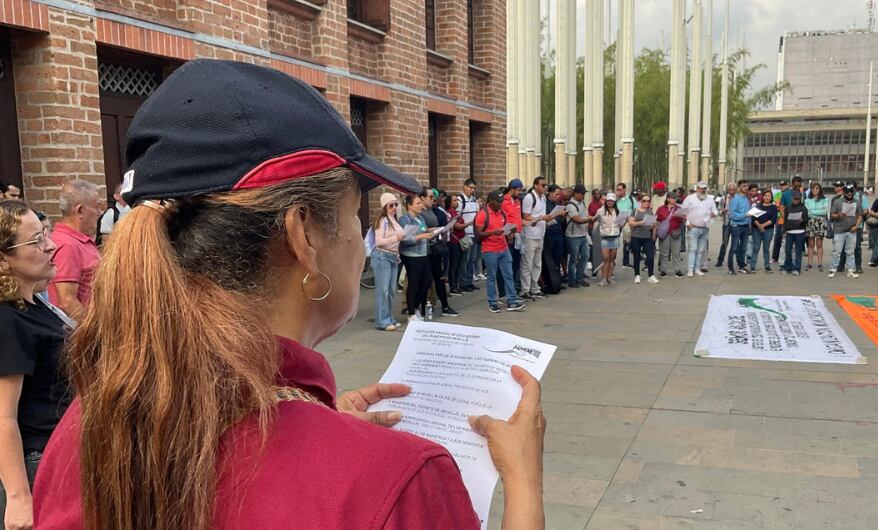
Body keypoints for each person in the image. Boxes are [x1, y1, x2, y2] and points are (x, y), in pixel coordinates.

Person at [32, 60, 545, 530]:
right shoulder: (398, 479)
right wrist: (523, 483)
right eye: (353, 215)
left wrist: (320, 427)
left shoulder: (89, 425)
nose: (360, 244)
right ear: (304, 236)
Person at [0, 201, 71, 530]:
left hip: (60, 453)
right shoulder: (8, 320)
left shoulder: (35, 308)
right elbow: (3, 416)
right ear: (4, 258)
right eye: (36, 241)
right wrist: (18, 496)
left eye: (45, 234)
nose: (50, 245)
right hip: (37, 463)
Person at [47, 180, 101, 321]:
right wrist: (94, 334)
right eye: (97, 207)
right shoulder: (68, 245)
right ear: (80, 210)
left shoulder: (77, 240)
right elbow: (67, 301)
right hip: (82, 335)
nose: (99, 213)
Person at [476, 190, 526, 313]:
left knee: (509, 275)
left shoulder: (502, 213)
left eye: (501, 201)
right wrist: (493, 232)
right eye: (498, 202)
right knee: (491, 277)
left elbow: (505, 230)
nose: (500, 204)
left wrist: (511, 232)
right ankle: (492, 302)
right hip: (490, 250)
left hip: (503, 248)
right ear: (491, 201)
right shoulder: (483, 214)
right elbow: (479, 233)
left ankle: (511, 301)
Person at [399, 191, 441, 320]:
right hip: (411, 254)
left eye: (420, 203)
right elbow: (405, 239)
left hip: (423, 253)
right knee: (414, 282)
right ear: (409, 205)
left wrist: (431, 230)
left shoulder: (420, 218)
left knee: (426, 281)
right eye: (417, 203)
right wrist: (423, 236)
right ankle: (411, 312)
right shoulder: (405, 219)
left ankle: (416, 307)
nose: (420, 206)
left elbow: (422, 230)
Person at [419, 189, 458, 317]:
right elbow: (421, 230)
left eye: (434, 197)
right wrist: (435, 229)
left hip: (436, 247)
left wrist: (441, 229)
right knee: (425, 281)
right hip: (426, 250)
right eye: (430, 197)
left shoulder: (431, 211)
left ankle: (445, 306)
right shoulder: (420, 213)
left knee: (439, 279)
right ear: (422, 198)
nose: (433, 199)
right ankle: (423, 308)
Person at [521, 177, 559, 299]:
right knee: (527, 263)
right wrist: (541, 218)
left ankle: (535, 288)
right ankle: (525, 289)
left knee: (537, 263)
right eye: (543, 185)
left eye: (546, 185)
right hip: (530, 234)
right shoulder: (529, 198)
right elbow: (526, 217)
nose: (545, 187)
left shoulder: (543, 198)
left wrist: (547, 217)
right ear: (536, 185)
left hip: (540, 234)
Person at [371, 193, 405, 331]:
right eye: (391, 205)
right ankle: (382, 320)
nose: (394, 207)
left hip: (392, 256)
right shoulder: (383, 221)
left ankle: (389, 317)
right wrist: (396, 238)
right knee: (383, 290)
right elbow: (378, 242)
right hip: (382, 256)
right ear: (385, 206)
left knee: (391, 290)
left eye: (396, 204)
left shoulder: (394, 219)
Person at [683, 182, 718, 277]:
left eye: (704, 188)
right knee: (692, 249)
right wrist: (688, 224)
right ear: (697, 188)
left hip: (704, 228)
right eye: (701, 188)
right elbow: (683, 212)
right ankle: (690, 269)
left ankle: (697, 268)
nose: (702, 190)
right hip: (693, 228)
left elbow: (715, 211)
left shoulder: (710, 200)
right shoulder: (690, 199)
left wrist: (714, 214)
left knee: (701, 250)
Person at [827, 185, 863, 279]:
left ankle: (851, 269)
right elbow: (832, 215)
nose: (849, 194)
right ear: (844, 192)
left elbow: (860, 215)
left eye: (851, 192)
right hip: (839, 230)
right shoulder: (838, 202)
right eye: (847, 192)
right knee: (837, 251)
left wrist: (856, 226)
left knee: (851, 251)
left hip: (852, 229)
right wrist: (839, 215)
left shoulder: (857, 202)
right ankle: (833, 268)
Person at [540, 185, 567, 294]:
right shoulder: (545, 204)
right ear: (550, 193)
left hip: (558, 232)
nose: (558, 196)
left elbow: (558, 219)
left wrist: (562, 216)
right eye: (556, 194)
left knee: (557, 258)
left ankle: (557, 281)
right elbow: (546, 218)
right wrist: (557, 215)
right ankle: (548, 281)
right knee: (549, 258)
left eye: (559, 194)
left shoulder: (557, 204)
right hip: (549, 233)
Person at [627, 194, 659, 284]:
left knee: (650, 256)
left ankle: (651, 275)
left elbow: (653, 224)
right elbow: (631, 223)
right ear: (640, 202)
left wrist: (653, 232)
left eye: (648, 201)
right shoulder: (635, 211)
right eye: (644, 201)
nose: (646, 203)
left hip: (647, 237)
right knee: (636, 256)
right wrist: (641, 222)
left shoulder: (650, 211)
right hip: (636, 236)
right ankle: (637, 275)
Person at [564, 185, 592, 288]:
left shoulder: (583, 203)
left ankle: (580, 277)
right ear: (576, 193)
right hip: (573, 236)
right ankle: (572, 280)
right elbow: (577, 220)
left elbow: (584, 217)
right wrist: (589, 219)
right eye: (581, 194)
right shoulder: (571, 205)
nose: (583, 195)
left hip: (583, 235)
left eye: (584, 194)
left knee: (585, 256)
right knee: (574, 259)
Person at [502, 180, 525, 295]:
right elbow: (503, 219)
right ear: (512, 189)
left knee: (516, 263)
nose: (520, 192)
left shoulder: (517, 201)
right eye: (519, 190)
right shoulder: (504, 201)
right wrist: (507, 233)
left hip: (518, 234)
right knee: (508, 265)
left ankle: (513, 290)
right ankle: (506, 292)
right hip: (509, 235)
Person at [593, 193, 621, 286]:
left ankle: (609, 277)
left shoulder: (617, 211)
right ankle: (603, 278)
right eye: (608, 200)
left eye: (612, 201)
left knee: (612, 258)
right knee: (605, 258)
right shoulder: (601, 211)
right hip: (605, 237)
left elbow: (620, 224)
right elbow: (595, 222)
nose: (610, 202)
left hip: (615, 236)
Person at [656, 192, 685, 277]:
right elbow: (656, 220)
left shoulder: (679, 208)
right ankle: (663, 270)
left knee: (676, 253)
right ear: (668, 199)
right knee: (664, 253)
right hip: (664, 233)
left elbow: (683, 221)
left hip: (676, 233)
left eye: (675, 198)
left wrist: (683, 218)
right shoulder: (661, 209)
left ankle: (677, 270)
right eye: (673, 198)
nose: (675, 199)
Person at [457, 178, 480, 292]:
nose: (472, 190)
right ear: (464, 187)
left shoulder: (474, 200)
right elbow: (457, 218)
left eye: (474, 188)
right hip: (465, 234)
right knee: (465, 259)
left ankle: (469, 281)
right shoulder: (460, 200)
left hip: (474, 233)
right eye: (471, 188)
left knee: (472, 259)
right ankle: (463, 282)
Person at [445, 194, 469, 297]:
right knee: (454, 264)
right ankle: (453, 286)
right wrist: (471, 222)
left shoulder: (456, 212)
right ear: (450, 202)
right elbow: (457, 226)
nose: (457, 202)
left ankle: (456, 284)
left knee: (458, 263)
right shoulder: (451, 212)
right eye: (454, 200)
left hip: (459, 240)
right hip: (455, 241)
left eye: (457, 200)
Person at [749, 189, 777, 273]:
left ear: (771, 197)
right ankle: (752, 266)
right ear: (762, 197)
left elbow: (773, 219)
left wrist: (763, 225)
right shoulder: (758, 206)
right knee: (756, 247)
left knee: (766, 248)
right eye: (765, 195)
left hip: (768, 229)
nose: (767, 197)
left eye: (769, 195)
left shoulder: (773, 207)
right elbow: (753, 217)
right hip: (756, 229)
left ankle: (767, 266)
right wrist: (759, 225)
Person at [781, 191, 809, 275]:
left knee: (798, 251)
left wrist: (802, 220)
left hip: (800, 231)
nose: (796, 200)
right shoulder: (788, 207)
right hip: (789, 231)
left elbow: (807, 219)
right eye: (794, 199)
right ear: (791, 198)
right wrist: (784, 231)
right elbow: (785, 220)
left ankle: (797, 268)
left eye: (797, 199)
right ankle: (788, 267)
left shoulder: (803, 207)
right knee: (788, 250)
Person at [727, 180, 751, 274]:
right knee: (734, 247)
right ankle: (730, 267)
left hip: (745, 226)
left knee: (744, 248)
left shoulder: (746, 198)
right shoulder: (735, 199)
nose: (746, 187)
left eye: (746, 185)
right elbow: (732, 214)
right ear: (739, 187)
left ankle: (741, 266)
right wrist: (745, 215)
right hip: (736, 226)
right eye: (744, 186)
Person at [803, 182, 829, 272]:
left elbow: (824, 212)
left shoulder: (824, 200)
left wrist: (813, 211)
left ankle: (819, 264)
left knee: (819, 244)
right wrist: (817, 211)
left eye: (817, 188)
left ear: (820, 190)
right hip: (810, 223)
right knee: (810, 244)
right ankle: (809, 264)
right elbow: (807, 213)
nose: (815, 190)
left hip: (820, 223)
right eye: (813, 188)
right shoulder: (807, 200)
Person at [96, 182, 131, 246]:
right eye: (125, 191)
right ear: (117, 196)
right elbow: (105, 239)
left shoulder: (133, 210)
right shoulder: (111, 213)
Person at [714, 182, 737, 267]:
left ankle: (738, 260)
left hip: (736, 223)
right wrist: (722, 211)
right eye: (730, 189)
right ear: (727, 189)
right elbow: (718, 211)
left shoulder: (738, 198)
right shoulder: (723, 199)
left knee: (736, 242)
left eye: (734, 189)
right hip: (726, 223)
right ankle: (720, 260)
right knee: (724, 242)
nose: (732, 191)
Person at [615, 183, 636, 268]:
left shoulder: (631, 199)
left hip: (628, 223)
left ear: (624, 190)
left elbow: (636, 209)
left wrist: (631, 218)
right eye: (617, 190)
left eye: (620, 189)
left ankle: (626, 261)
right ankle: (612, 261)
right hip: (618, 222)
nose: (618, 191)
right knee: (615, 242)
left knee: (627, 242)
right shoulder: (615, 200)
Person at [588, 188, 604, 278]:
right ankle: (595, 269)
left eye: (599, 193)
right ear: (593, 195)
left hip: (602, 228)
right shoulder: (592, 205)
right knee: (595, 249)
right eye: (596, 194)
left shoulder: (601, 203)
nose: (598, 195)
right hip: (593, 228)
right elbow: (595, 216)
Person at [771, 180, 788, 264]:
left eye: (784, 185)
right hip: (779, 218)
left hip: (787, 218)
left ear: (787, 185)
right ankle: (775, 257)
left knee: (787, 239)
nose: (782, 187)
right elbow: (775, 206)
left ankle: (787, 258)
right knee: (778, 237)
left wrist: (780, 207)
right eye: (781, 185)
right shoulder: (777, 194)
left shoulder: (788, 194)